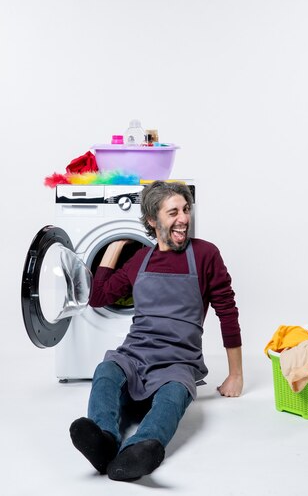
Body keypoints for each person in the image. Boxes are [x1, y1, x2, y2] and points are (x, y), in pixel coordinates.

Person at [69, 180, 243, 482]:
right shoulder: (140, 260)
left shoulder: (205, 254)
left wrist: (236, 374)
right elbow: (98, 297)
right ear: (152, 220)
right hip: (135, 355)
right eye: (173, 211)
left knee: (174, 395)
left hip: (178, 361)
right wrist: (114, 248)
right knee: (107, 371)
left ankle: (141, 449)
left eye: (186, 210)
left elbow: (226, 310)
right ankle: (105, 440)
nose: (184, 218)